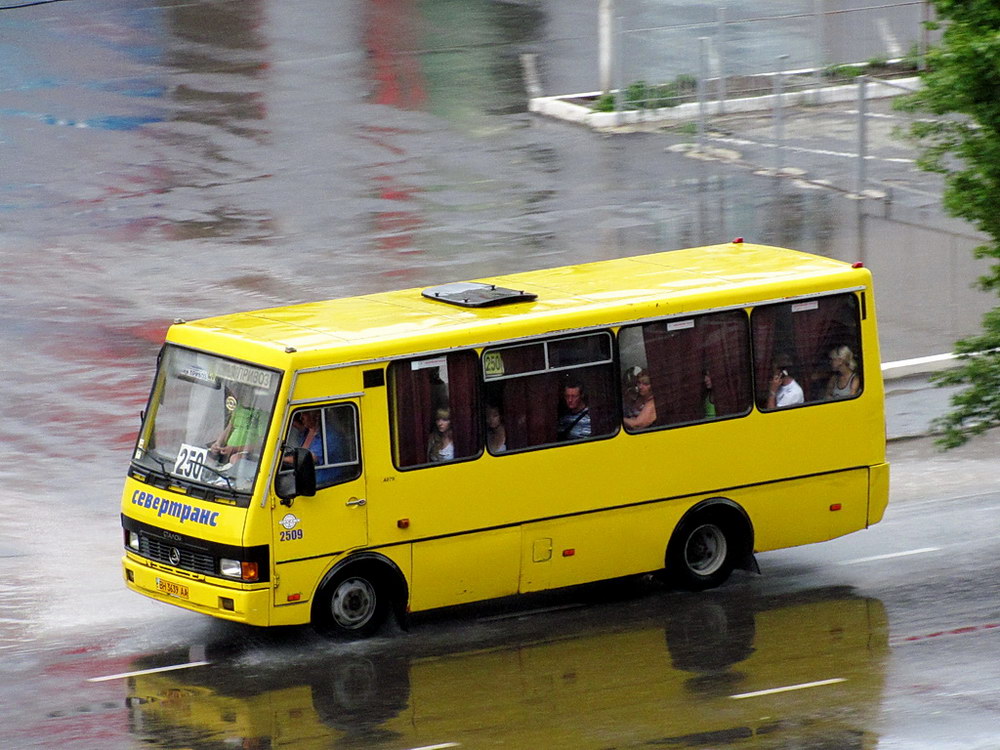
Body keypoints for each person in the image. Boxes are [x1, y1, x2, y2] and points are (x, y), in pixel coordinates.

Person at [209, 386, 266, 465]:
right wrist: (217, 443)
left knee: (235, 459)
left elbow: (262, 444)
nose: (242, 395)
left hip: (245, 455)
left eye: (246, 393)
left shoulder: (262, 414)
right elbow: (229, 427)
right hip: (227, 451)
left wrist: (234, 449)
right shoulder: (238, 408)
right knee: (207, 456)